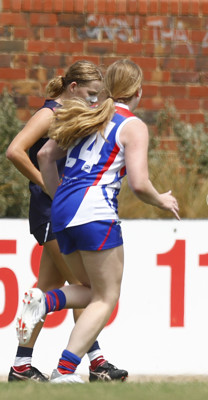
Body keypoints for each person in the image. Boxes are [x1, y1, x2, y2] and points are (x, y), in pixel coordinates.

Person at [14, 59, 180, 383]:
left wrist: (58, 193)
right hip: (95, 213)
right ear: (138, 92)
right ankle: (64, 370)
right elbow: (139, 184)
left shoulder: (88, 116)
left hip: (62, 212)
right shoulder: (132, 125)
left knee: (89, 291)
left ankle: (44, 301)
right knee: (106, 297)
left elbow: (45, 156)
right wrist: (161, 199)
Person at [5, 60, 128, 382]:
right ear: (72, 88)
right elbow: (16, 150)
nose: (94, 102)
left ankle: (21, 365)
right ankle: (94, 361)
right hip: (51, 211)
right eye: (90, 94)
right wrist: (48, 187)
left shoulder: (72, 114)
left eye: (98, 96)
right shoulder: (50, 113)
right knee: (88, 287)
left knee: (52, 287)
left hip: (59, 210)